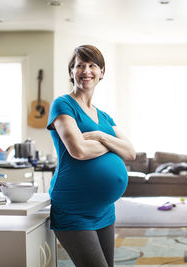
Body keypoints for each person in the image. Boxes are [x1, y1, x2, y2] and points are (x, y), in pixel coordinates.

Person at [46, 44, 135, 267]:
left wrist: (98, 136)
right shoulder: (63, 104)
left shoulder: (103, 116)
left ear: (101, 72)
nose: (86, 71)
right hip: (74, 207)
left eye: (92, 65)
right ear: (71, 72)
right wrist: (113, 144)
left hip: (104, 209)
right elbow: (79, 150)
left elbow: (130, 151)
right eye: (80, 66)